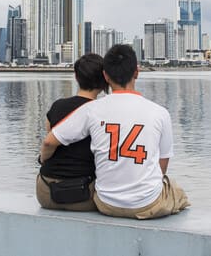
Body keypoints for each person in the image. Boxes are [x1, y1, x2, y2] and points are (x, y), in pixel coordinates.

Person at [39, 43, 190, 219]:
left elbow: (50, 140)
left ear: (106, 76)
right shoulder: (160, 113)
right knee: (176, 191)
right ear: (136, 72)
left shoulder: (91, 109)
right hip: (147, 203)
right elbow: (162, 166)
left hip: (106, 203)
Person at [35, 53, 108, 211]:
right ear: (104, 80)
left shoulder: (57, 106)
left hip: (46, 192)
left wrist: (42, 160)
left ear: (76, 77)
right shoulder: (103, 113)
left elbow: (49, 139)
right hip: (84, 194)